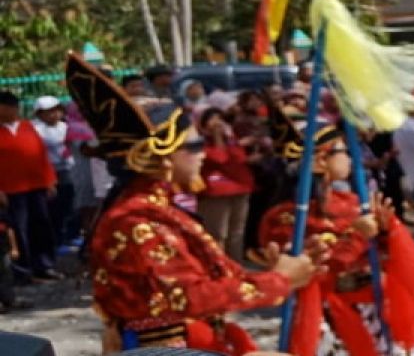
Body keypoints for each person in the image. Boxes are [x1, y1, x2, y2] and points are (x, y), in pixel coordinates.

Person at [64, 54, 315, 353]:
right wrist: (278, 281)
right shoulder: (135, 221)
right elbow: (190, 297)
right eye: (195, 145)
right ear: (161, 155)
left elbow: (197, 280)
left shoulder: (157, 211)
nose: (204, 154)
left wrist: (267, 272)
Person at [259, 104, 414, 355]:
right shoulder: (284, 219)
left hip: (374, 303)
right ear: (320, 162)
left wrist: (387, 230)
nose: (351, 158)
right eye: (342, 151)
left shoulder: (353, 202)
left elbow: (383, 251)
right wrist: (357, 236)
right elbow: (315, 269)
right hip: (329, 313)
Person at [0, 91, 60, 283]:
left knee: (41, 225)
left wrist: (50, 180)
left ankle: (44, 265)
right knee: (19, 230)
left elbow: (42, 155)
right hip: (11, 189)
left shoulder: (27, 127)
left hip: (37, 185)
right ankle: (23, 271)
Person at [196, 108, 254, 261]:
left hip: (240, 189)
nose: (217, 123)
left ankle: (236, 266)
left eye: (220, 119)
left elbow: (240, 158)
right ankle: (218, 266)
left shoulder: (231, 140)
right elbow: (218, 159)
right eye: (212, 119)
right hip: (215, 194)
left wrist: (229, 139)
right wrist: (217, 138)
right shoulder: (197, 143)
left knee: (237, 232)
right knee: (217, 234)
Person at [32, 96, 76, 250]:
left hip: (67, 169)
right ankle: (54, 239)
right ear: (39, 114)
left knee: (68, 203)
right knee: (52, 207)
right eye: (48, 112)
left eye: (56, 110)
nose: (53, 114)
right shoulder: (36, 130)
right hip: (49, 172)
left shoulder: (65, 126)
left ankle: (67, 235)